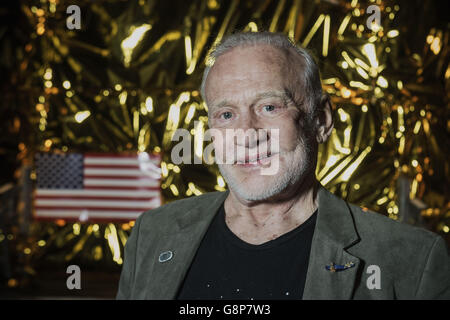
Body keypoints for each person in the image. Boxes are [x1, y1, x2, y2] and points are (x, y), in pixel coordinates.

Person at [116, 31, 450, 300]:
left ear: (320, 120)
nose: (246, 134)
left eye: (270, 107)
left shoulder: (412, 260)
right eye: (227, 114)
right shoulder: (153, 234)